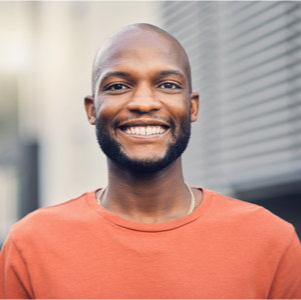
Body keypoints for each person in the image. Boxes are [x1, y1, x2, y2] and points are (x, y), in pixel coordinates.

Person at [0, 23, 301, 299]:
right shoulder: (32, 244)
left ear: (192, 106)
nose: (144, 102)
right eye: (118, 86)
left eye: (168, 85)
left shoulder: (270, 240)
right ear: (92, 109)